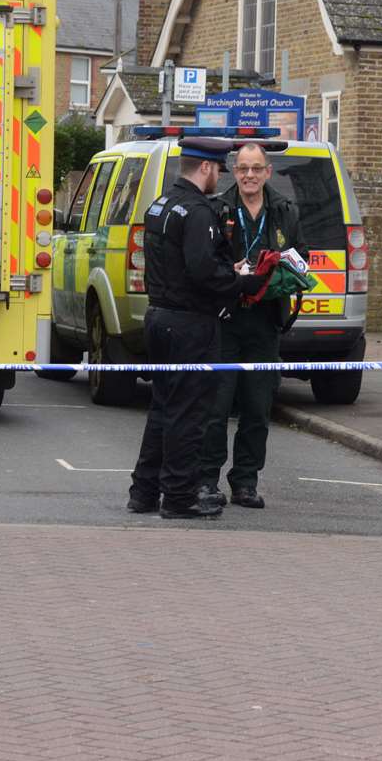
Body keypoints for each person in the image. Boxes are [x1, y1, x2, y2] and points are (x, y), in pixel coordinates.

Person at [128, 138, 269, 520]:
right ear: (205, 168)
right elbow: (203, 272)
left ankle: (143, 491)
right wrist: (243, 282)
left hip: (159, 317)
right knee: (188, 414)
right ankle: (178, 497)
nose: (220, 176)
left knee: (162, 409)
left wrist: (225, 271)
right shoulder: (197, 211)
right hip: (190, 324)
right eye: (220, 169)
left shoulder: (160, 205)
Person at [197, 142, 305, 511]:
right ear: (234, 171)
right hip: (226, 321)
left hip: (265, 322)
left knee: (258, 409)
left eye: (256, 168)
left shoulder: (285, 211)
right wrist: (233, 272)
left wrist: (284, 273)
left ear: (268, 172)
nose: (249, 175)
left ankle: (245, 481)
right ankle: (207, 480)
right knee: (216, 407)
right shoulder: (218, 209)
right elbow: (206, 263)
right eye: (243, 168)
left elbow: (300, 258)